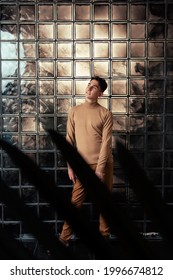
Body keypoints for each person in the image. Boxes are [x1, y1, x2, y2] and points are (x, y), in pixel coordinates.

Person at [59, 76, 113, 246]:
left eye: (94, 87)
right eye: (89, 85)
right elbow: (69, 140)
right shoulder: (74, 111)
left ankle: (104, 237)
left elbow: (106, 143)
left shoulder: (105, 114)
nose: (89, 88)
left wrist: (100, 168)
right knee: (75, 204)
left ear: (101, 94)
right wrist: (70, 166)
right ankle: (64, 240)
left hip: (103, 165)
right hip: (81, 165)